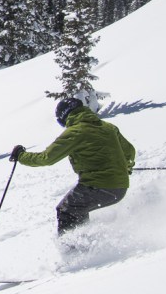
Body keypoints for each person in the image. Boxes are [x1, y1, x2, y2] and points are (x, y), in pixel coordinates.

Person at [10, 97, 136, 236]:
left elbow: (46, 158)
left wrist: (21, 156)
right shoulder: (108, 127)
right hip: (120, 188)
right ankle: (86, 244)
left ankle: (74, 251)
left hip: (99, 187)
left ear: (64, 116)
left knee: (66, 209)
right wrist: (125, 169)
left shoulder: (76, 132)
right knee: (77, 208)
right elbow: (129, 151)